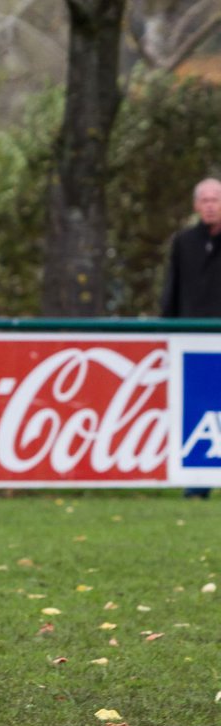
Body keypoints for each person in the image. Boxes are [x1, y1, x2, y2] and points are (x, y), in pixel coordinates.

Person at [162, 177, 221, 499]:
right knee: (198, 411)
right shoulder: (184, 242)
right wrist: (164, 330)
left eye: (216, 199)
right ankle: (197, 482)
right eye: (206, 200)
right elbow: (172, 289)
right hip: (192, 341)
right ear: (197, 205)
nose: (211, 205)